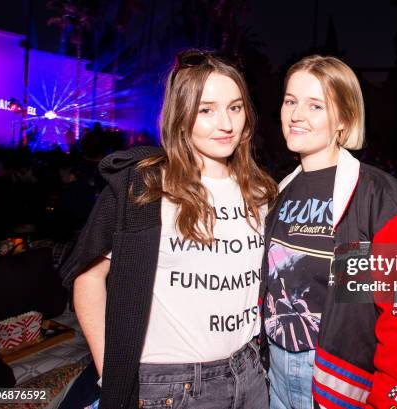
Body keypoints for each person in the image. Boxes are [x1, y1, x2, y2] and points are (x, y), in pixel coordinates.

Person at [60, 49, 277, 409]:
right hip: (172, 387)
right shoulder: (144, 186)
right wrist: (112, 376)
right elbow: (88, 280)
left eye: (235, 107)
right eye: (206, 110)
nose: (226, 123)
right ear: (181, 115)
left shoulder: (260, 191)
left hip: (249, 372)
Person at [261, 55, 397, 409]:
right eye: (290, 101)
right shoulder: (277, 194)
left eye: (315, 105)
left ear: (344, 119)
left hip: (341, 385)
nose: (296, 115)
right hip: (272, 379)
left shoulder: (394, 206)